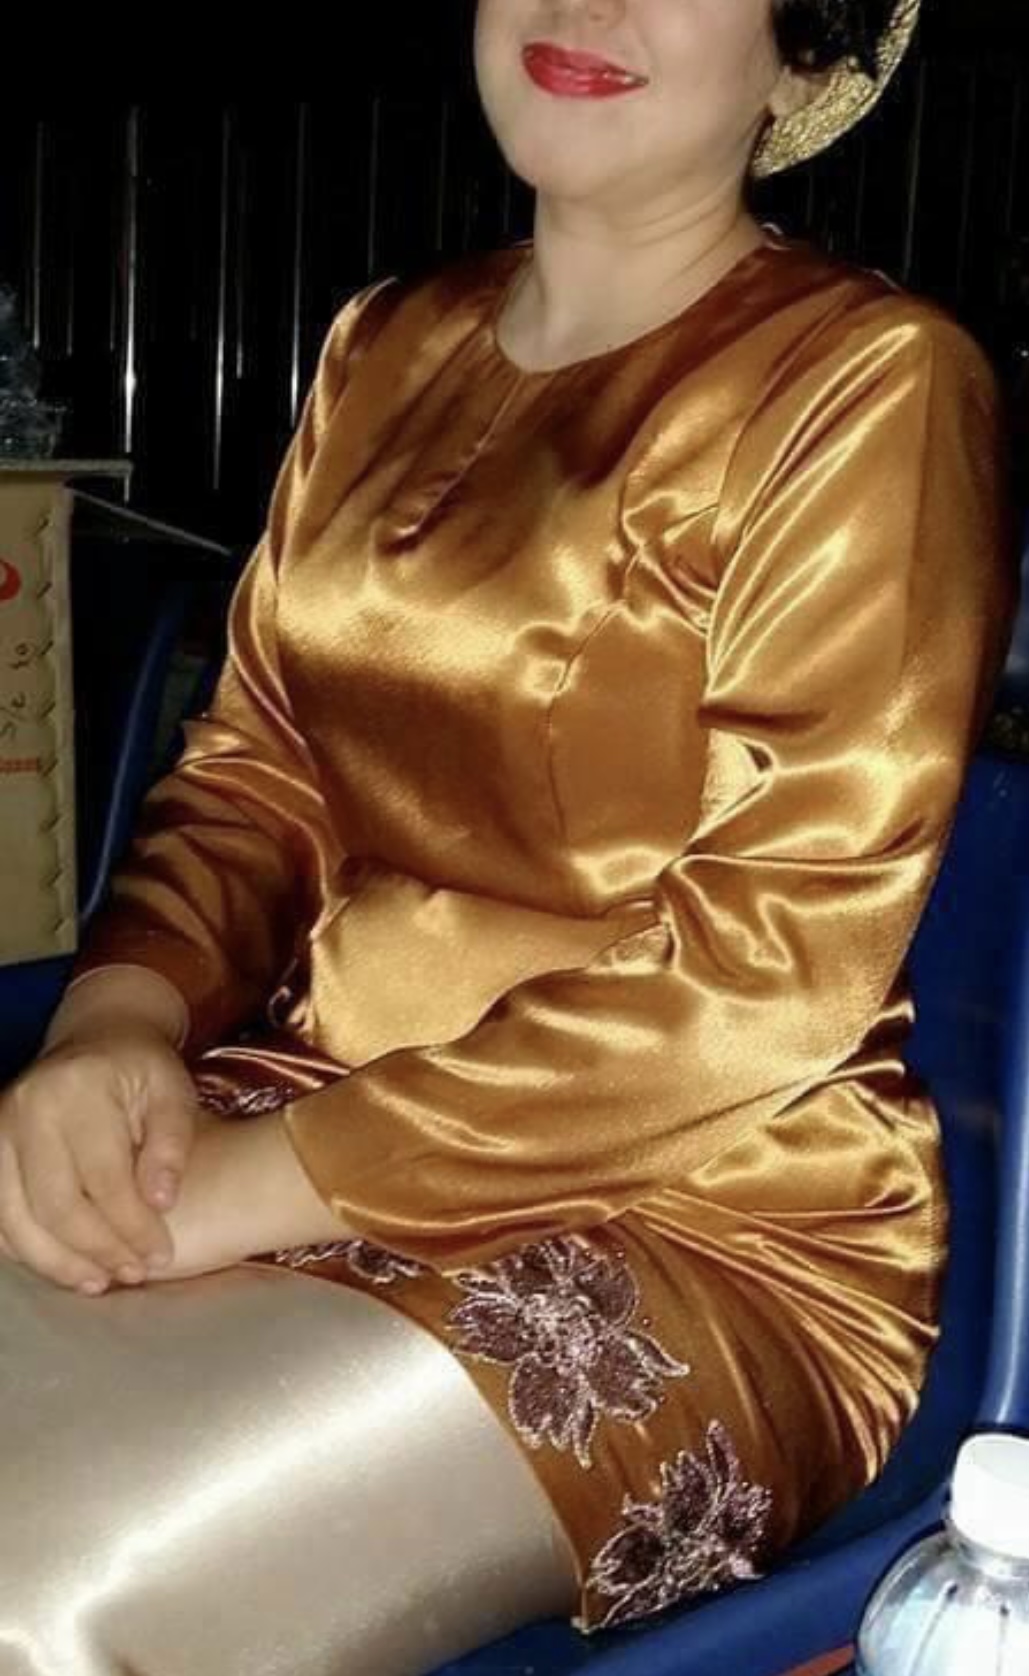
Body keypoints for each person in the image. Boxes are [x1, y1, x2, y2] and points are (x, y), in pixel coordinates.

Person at [0, 2, 1017, 1672]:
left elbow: (766, 974)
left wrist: (256, 1184)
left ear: (807, 54)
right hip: (291, 1100)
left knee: (42, 1590)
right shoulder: (385, 342)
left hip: (705, 1215)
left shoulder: (864, 384)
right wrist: (115, 1022)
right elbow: (259, 771)